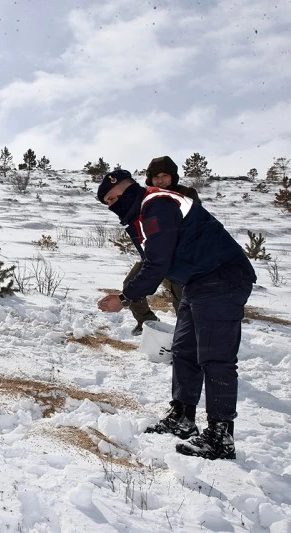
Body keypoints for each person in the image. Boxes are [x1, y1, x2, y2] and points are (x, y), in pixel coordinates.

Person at [96, 167, 255, 460]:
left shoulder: (155, 205)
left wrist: (125, 297)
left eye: (113, 196)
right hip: (197, 281)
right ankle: (182, 417)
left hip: (222, 276)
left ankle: (221, 437)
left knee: (214, 357)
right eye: (107, 202)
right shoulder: (142, 213)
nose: (112, 204)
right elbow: (153, 261)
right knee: (183, 350)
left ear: (128, 188)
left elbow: (157, 263)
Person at [124, 156, 202, 335]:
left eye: (164, 176)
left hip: (181, 258)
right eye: (156, 177)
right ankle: (146, 322)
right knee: (131, 284)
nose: (160, 180)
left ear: (173, 176)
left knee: (182, 298)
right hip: (155, 255)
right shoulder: (147, 197)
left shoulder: (187, 194)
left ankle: (187, 334)